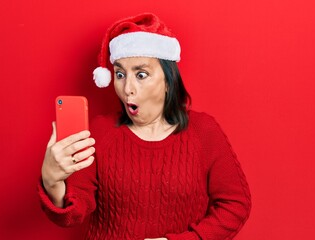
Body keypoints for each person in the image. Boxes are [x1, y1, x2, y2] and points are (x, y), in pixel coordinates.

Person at [38, 13, 251, 240]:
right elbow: (74, 213)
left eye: (141, 74)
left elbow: (236, 205)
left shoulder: (204, 131)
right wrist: (52, 180)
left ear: (168, 81)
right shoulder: (101, 131)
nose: (127, 87)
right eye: (120, 74)